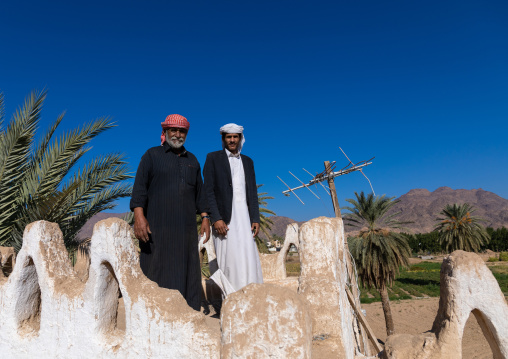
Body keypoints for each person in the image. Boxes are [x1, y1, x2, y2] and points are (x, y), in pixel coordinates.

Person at [130, 114, 210, 311]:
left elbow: (200, 192)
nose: (177, 134)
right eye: (173, 130)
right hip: (156, 229)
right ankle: (154, 317)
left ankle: (189, 315)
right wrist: (139, 217)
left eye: (181, 131)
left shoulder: (192, 160)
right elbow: (139, 188)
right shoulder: (151, 155)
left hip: (185, 231)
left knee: (188, 270)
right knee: (155, 270)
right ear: (165, 132)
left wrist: (206, 217)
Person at [203, 123, 263, 292]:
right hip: (225, 220)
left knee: (248, 258)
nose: (232, 140)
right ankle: (231, 302)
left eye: (235, 137)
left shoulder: (248, 161)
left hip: (245, 219)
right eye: (228, 137)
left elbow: (252, 192)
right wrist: (216, 218)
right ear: (223, 139)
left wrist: (255, 218)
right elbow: (208, 190)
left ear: (240, 138)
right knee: (229, 261)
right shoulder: (213, 158)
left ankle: (252, 298)